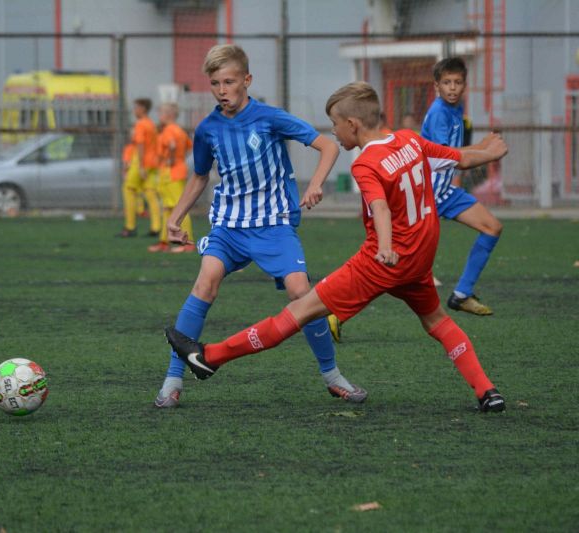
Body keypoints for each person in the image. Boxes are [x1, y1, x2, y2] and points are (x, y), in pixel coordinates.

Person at [166, 81, 509, 413]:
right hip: (418, 262)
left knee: (298, 311)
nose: (333, 131)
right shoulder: (410, 140)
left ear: (353, 124)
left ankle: (210, 357)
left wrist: (385, 247)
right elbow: (460, 159)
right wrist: (488, 152)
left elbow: (380, 208)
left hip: (381, 263)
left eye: (334, 124)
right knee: (437, 321)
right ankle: (487, 391)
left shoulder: (365, 163)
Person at [154, 44, 365, 408]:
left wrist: (315, 184)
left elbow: (328, 147)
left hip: (273, 225)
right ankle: (173, 380)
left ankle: (332, 376)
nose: (222, 90)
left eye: (229, 82)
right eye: (215, 83)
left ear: (247, 80)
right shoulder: (207, 129)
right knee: (205, 283)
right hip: (229, 227)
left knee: (302, 293)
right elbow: (200, 176)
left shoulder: (270, 118)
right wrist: (174, 217)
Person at [421, 57, 503, 316]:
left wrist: (481, 147)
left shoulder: (457, 107)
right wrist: (485, 150)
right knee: (392, 267)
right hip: (424, 195)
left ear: (465, 85)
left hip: (443, 192)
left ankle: (462, 294)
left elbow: (453, 155)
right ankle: (337, 310)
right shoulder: (439, 113)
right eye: (447, 82)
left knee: (492, 227)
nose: (452, 87)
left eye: (457, 82)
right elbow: (446, 157)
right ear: (436, 86)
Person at [147, 103, 195, 253]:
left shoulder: (169, 130)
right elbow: (189, 146)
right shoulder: (180, 130)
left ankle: (188, 243)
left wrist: (171, 160)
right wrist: (180, 159)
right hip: (177, 170)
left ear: (168, 115)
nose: (159, 116)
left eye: (161, 113)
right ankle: (164, 242)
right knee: (168, 208)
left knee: (179, 207)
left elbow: (172, 145)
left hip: (171, 173)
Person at [118, 98, 161, 238]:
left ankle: (130, 227)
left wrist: (141, 166)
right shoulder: (151, 124)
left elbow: (140, 145)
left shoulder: (141, 124)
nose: (134, 110)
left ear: (143, 108)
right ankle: (156, 227)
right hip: (152, 163)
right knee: (150, 193)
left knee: (128, 189)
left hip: (141, 162)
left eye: (136, 107)